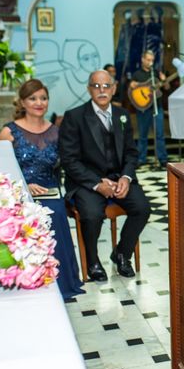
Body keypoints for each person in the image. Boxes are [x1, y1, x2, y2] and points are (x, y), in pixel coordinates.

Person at [59, 70, 151, 281]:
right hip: (86, 181)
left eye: (106, 86)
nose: (102, 91)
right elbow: (69, 160)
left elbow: (131, 153)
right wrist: (96, 184)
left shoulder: (123, 116)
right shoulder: (74, 117)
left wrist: (126, 178)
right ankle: (93, 261)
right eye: (96, 86)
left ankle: (121, 253)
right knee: (91, 215)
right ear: (89, 89)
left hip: (118, 177)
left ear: (114, 88)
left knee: (143, 208)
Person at [0, 79, 85, 300]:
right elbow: (0, 174)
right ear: (23, 102)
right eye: (33, 98)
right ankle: (28, 280)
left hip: (51, 193)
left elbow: (71, 164)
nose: (39, 102)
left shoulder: (57, 132)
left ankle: (61, 281)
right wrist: (24, 185)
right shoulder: (9, 132)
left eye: (43, 98)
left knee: (53, 211)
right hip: (19, 196)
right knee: (30, 217)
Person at [129, 50, 169, 167]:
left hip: (157, 107)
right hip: (143, 109)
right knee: (143, 135)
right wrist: (132, 85)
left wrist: (164, 79)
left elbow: (166, 87)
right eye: (148, 60)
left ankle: (162, 159)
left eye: (152, 60)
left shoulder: (156, 73)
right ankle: (141, 159)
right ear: (143, 59)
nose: (150, 62)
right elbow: (132, 90)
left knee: (160, 134)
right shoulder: (137, 74)